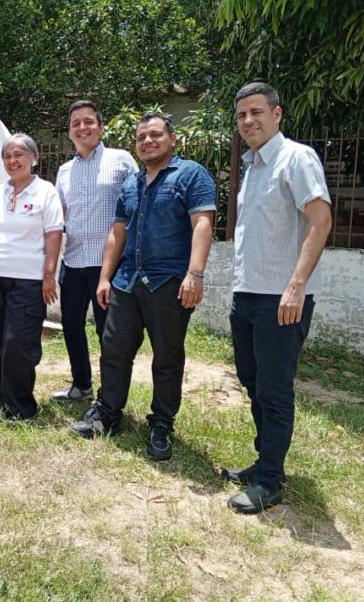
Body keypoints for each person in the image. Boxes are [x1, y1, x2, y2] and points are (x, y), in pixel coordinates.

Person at [70, 114, 216, 462]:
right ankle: (108, 413)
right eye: (141, 137)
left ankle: (162, 423)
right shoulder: (131, 184)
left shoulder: (192, 174)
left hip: (169, 284)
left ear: (173, 139)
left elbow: (203, 223)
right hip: (126, 282)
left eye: (155, 135)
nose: (147, 141)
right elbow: (117, 233)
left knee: (166, 357)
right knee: (114, 351)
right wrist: (105, 277)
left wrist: (194, 274)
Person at [222, 82, 332, 514]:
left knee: (274, 390)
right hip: (247, 295)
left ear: (277, 114)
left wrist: (296, 284)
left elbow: (320, 222)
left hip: (280, 300)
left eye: (256, 112)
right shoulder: (253, 166)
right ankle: (267, 461)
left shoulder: (296, 158)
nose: (248, 121)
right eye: (242, 115)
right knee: (252, 383)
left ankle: (269, 481)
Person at [0, 134, 64, 422]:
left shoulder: (45, 191)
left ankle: (20, 406)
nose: (13, 161)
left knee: (18, 343)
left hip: (28, 279)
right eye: (7, 156)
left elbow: (54, 234)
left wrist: (49, 276)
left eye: (19, 155)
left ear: (33, 158)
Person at [51, 100, 137, 403]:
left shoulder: (121, 160)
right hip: (73, 260)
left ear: (100, 128)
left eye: (89, 121)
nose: (82, 127)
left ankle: (109, 396)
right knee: (71, 326)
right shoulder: (64, 171)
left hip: (108, 265)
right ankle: (81, 385)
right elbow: (59, 214)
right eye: (76, 123)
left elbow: (135, 206)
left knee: (108, 333)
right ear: (70, 132)